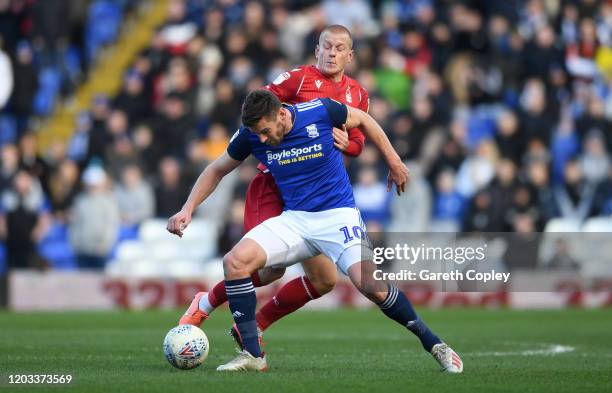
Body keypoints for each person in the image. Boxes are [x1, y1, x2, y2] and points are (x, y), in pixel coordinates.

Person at [167, 90, 463, 373]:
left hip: (338, 216)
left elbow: (365, 120)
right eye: (257, 134)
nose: (262, 139)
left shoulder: (321, 111)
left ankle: (434, 344)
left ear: (281, 114)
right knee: (235, 262)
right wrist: (187, 208)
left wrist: (394, 161)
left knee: (370, 285)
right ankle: (253, 356)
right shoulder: (251, 135)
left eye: (266, 131)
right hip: (295, 219)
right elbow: (216, 169)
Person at [180, 25, 371, 339]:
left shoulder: (358, 95)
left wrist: (347, 144)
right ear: (317, 50)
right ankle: (207, 302)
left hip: (312, 195)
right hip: (273, 184)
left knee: (324, 281)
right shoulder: (297, 79)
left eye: (339, 48)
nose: (332, 53)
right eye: (326, 46)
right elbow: (259, 107)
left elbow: (359, 142)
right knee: (268, 270)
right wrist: (243, 143)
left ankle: (255, 326)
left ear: (350, 56)